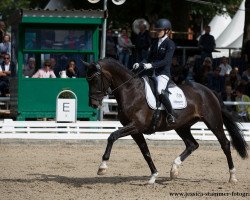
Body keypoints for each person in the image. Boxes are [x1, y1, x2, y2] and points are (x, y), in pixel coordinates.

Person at [133, 18, 176, 124]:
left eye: (159, 30)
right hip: (152, 73)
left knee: (159, 90)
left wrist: (151, 65)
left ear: (167, 31)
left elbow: (166, 61)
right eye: (156, 30)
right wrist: (140, 63)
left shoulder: (170, 44)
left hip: (163, 74)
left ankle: (170, 114)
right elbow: (148, 58)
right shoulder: (155, 42)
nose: (157, 32)